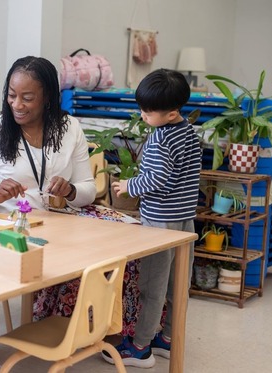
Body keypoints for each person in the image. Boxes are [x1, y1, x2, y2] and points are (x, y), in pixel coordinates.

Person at [0, 56, 96, 320]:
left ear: (47, 98)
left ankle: (81, 326)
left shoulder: (70, 129)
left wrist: (70, 191)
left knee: (111, 255)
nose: (17, 105)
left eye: (27, 98)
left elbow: (88, 189)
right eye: (12, 95)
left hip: (61, 224)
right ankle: (51, 321)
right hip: (11, 228)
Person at [102, 68, 201, 368]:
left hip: (160, 223)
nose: (143, 115)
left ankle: (141, 346)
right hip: (185, 220)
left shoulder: (160, 139)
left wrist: (128, 185)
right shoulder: (190, 133)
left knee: (152, 286)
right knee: (177, 284)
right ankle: (168, 338)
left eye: (148, 111)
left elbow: (156, 179)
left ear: (171, 114)